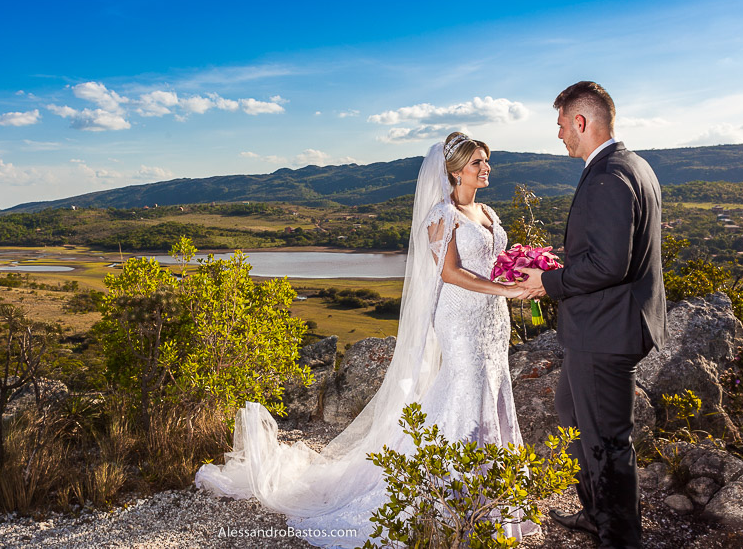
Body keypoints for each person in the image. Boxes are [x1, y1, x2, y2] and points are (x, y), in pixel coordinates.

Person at [196, 132, 535, 547]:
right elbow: (449, 273)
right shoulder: (441, 215)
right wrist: (503, 290)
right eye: (478, 162)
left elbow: (492, 260)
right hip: (461, 317)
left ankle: (498, 502)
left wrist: (520, 273)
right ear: (454, 170)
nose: (486, 169)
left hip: (493, 317)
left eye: (487, 161)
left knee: (495, 387)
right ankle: (450, 501)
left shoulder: (486, 210)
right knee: (467, 388)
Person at [519, 81, 666, 549]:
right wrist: (561, 268)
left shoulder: (607, 176)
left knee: (607, 440)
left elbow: (609, 264)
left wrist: (548, 282)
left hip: (605, 331)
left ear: (580, 122)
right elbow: (606, 254)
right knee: (569, 409)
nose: (559, 134)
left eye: (561, 124)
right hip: (611, 322)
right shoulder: (633, 165)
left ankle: (619, 537)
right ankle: (596, 510)